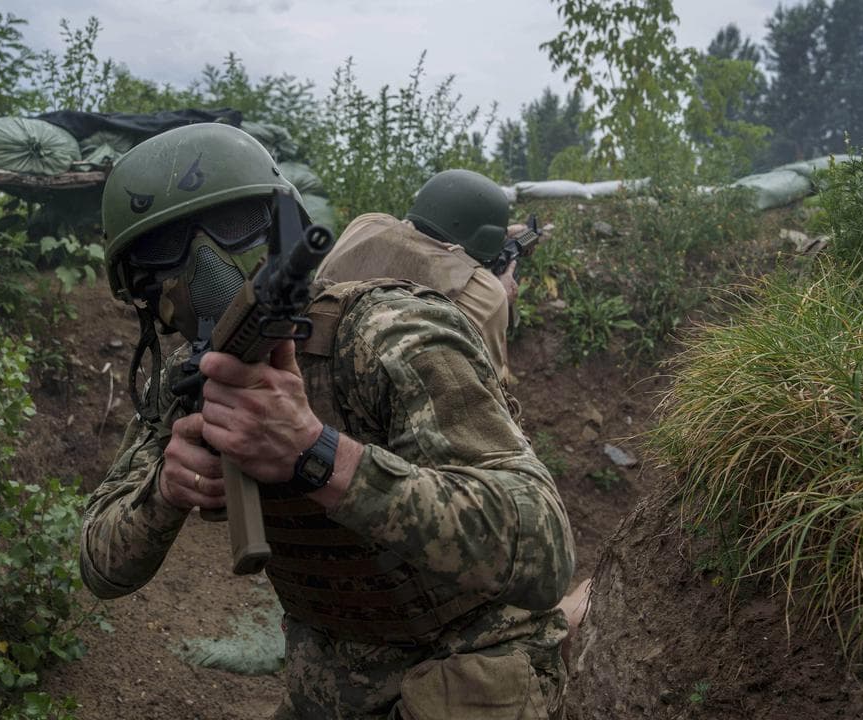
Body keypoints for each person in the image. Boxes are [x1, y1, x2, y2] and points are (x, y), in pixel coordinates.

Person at [79, 123, 575, 720]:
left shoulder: (390, 335)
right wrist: (166, 489)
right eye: (166, 248)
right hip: (332, 681)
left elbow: (545, 548)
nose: (206, 264)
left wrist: (317, 454)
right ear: (141, 288)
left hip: (471, 667)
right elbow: (100, 566)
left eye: (233, 226)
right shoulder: (186, 384)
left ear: (278, 226)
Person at [315, 168, 531, 385]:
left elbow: (416, 237)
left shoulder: (364, 225)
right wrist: (503, 299)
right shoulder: (486, 294)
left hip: (310, 381)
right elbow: (495, 390)